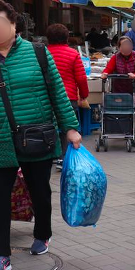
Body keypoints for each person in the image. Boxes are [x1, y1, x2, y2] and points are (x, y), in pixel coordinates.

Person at [0, 0, 81, 270]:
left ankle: (42, 233)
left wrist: (70, 128)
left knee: (39, 191)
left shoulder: (39, 54)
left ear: (13, 24)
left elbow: (58, 94)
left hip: (36, 136)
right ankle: (0, 256)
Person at [47, 23, 89, 169]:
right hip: (68, 96)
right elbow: (81, 78)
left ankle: (50, 156)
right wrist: (84, 95)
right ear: (67, 38)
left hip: (47, 97)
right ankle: (63, 158)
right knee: (67, 127)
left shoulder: (41, 54)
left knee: (49, 126)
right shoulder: (73, 54)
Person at [101, 36, 135, 114]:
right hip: (119, 88)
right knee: (120, 108)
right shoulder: (115, 57)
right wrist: (105, 73)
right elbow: (108, 68)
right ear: (119, 47)